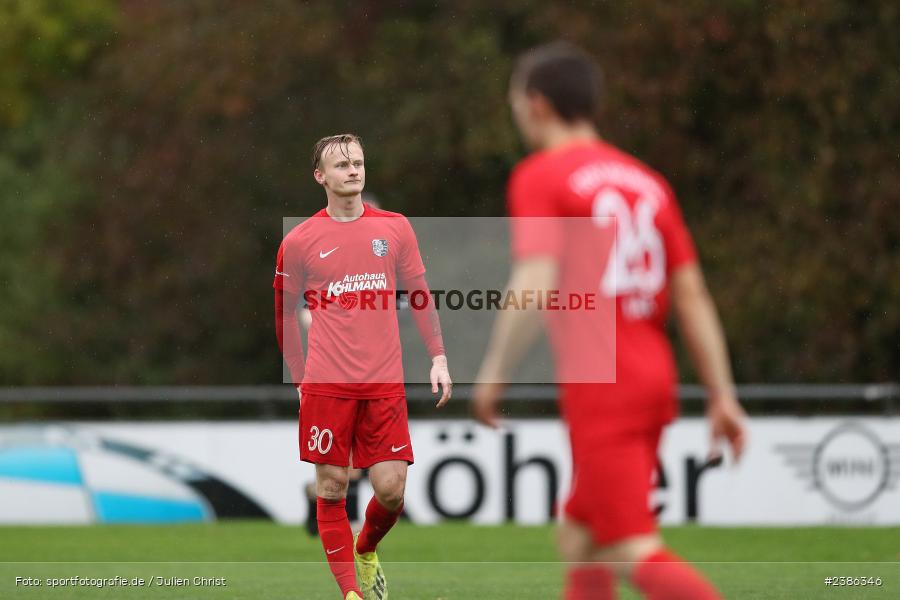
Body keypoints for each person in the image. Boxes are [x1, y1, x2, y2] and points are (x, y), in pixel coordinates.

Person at [473, 42, 747, 600]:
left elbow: (535, 282)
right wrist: (721, 393)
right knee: (580, 538)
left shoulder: (542, 175)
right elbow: (691, 295)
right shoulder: (646, 181)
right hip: (651, 376)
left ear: (537, 105)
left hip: (606, 384)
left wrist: (494, 373)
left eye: (516, 106)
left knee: (628, 548)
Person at [275, 134, 452, 600]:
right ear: (321, 177)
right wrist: (298, 376)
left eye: (358, 163)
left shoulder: (394, 228)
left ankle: (366, 547)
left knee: (391, 491)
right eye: (342, 165)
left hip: (383, 384)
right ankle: (351, 594)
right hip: (327, 384)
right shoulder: (300, 240)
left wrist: (438, 356)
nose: (353, 170)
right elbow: (284, 315)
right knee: (331, 486)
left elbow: (420, 294)